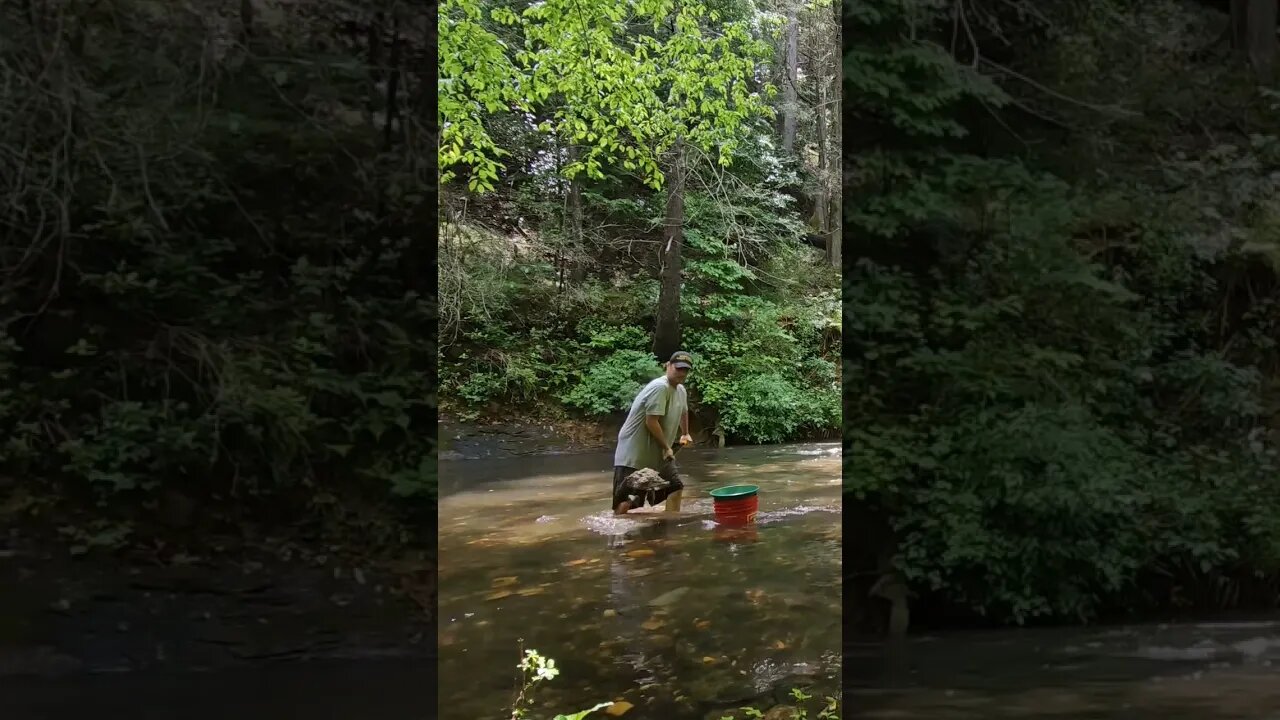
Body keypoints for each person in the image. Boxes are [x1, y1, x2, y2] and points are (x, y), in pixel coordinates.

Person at [611, 351, 695, 515]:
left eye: (685, 370)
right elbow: (651, 421)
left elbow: (684, 411)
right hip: (635, 454)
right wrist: (666, 447)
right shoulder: (659, 387)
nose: (682, 373)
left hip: (659, 454)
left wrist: (685, 433)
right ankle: (618, 535)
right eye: (678, 368)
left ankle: (668, 527)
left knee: (675, 488)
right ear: (668, 366)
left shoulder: (680, 390)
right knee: (627, 500)